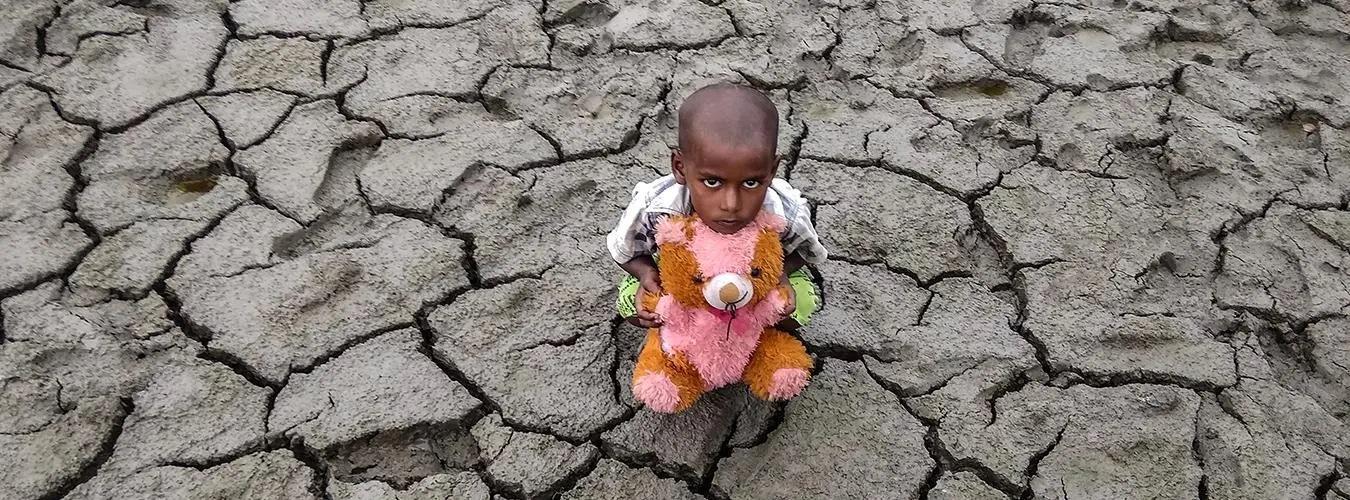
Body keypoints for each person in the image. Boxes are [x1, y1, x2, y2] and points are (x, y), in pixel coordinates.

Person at [606, 83, 827, 330]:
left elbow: (805, 253)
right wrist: (646, 274)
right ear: (680, 167)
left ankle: (754, 338)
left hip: (754, 283)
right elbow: (625, 252)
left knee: (801, 304)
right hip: (683, 281)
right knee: (632, 307)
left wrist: (778, 275)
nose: (731, 204)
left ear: (772, 171)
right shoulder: (656, 207)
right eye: (712, 182)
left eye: (751, 183)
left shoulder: (785, 210)